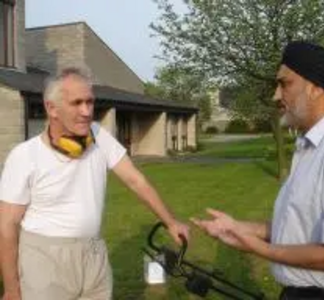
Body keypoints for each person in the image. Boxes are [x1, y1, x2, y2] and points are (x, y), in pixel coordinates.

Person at [192, 41, 324, 300]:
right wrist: (237, 228)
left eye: (285, 84)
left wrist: (259, 248)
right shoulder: (309, 147)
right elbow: (300, 228)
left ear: (315, 88)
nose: (276, 95)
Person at [0, 67, 189, 300]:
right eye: (77, 103)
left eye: (90, 102)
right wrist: (11, 288)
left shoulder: (99, 136)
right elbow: (7, 226)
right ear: (52, 108)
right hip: (44, 259)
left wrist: (170, 222)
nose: (87, 111)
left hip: (93, 254)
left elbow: (135, 180)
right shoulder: (24, 156)